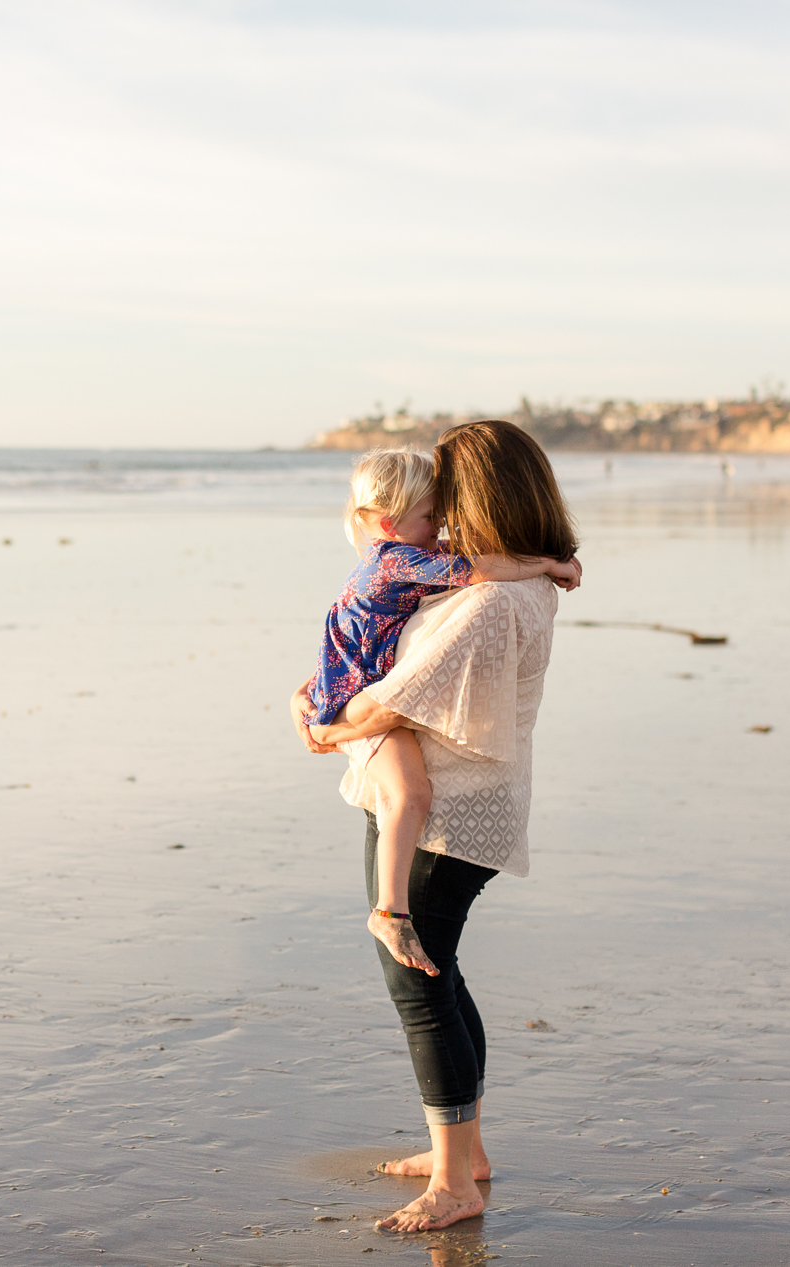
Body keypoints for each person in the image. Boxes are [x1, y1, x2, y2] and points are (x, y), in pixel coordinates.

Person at [291, 420, 581, 1233]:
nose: (444, 515)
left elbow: (390, 697)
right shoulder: (506, 585)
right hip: (463, 802)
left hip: (448, 817)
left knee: (415, 981)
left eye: (450, 495)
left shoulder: (487, 600)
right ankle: (466, 1151)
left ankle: (454, 1179)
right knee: (437, 972)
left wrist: (324, 723)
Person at [301, 450, 578, 979]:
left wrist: (548, 559)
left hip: (356, 685)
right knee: (409, 793)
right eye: (432, 516)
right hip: (351, 692)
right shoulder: (394, 558)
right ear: (389, 523)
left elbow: (483, 565)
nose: (443, 526)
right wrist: (548, 563)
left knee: (410, 797)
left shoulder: (412, 552)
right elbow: (479, 570)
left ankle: (389, 910)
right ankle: (388, 912)